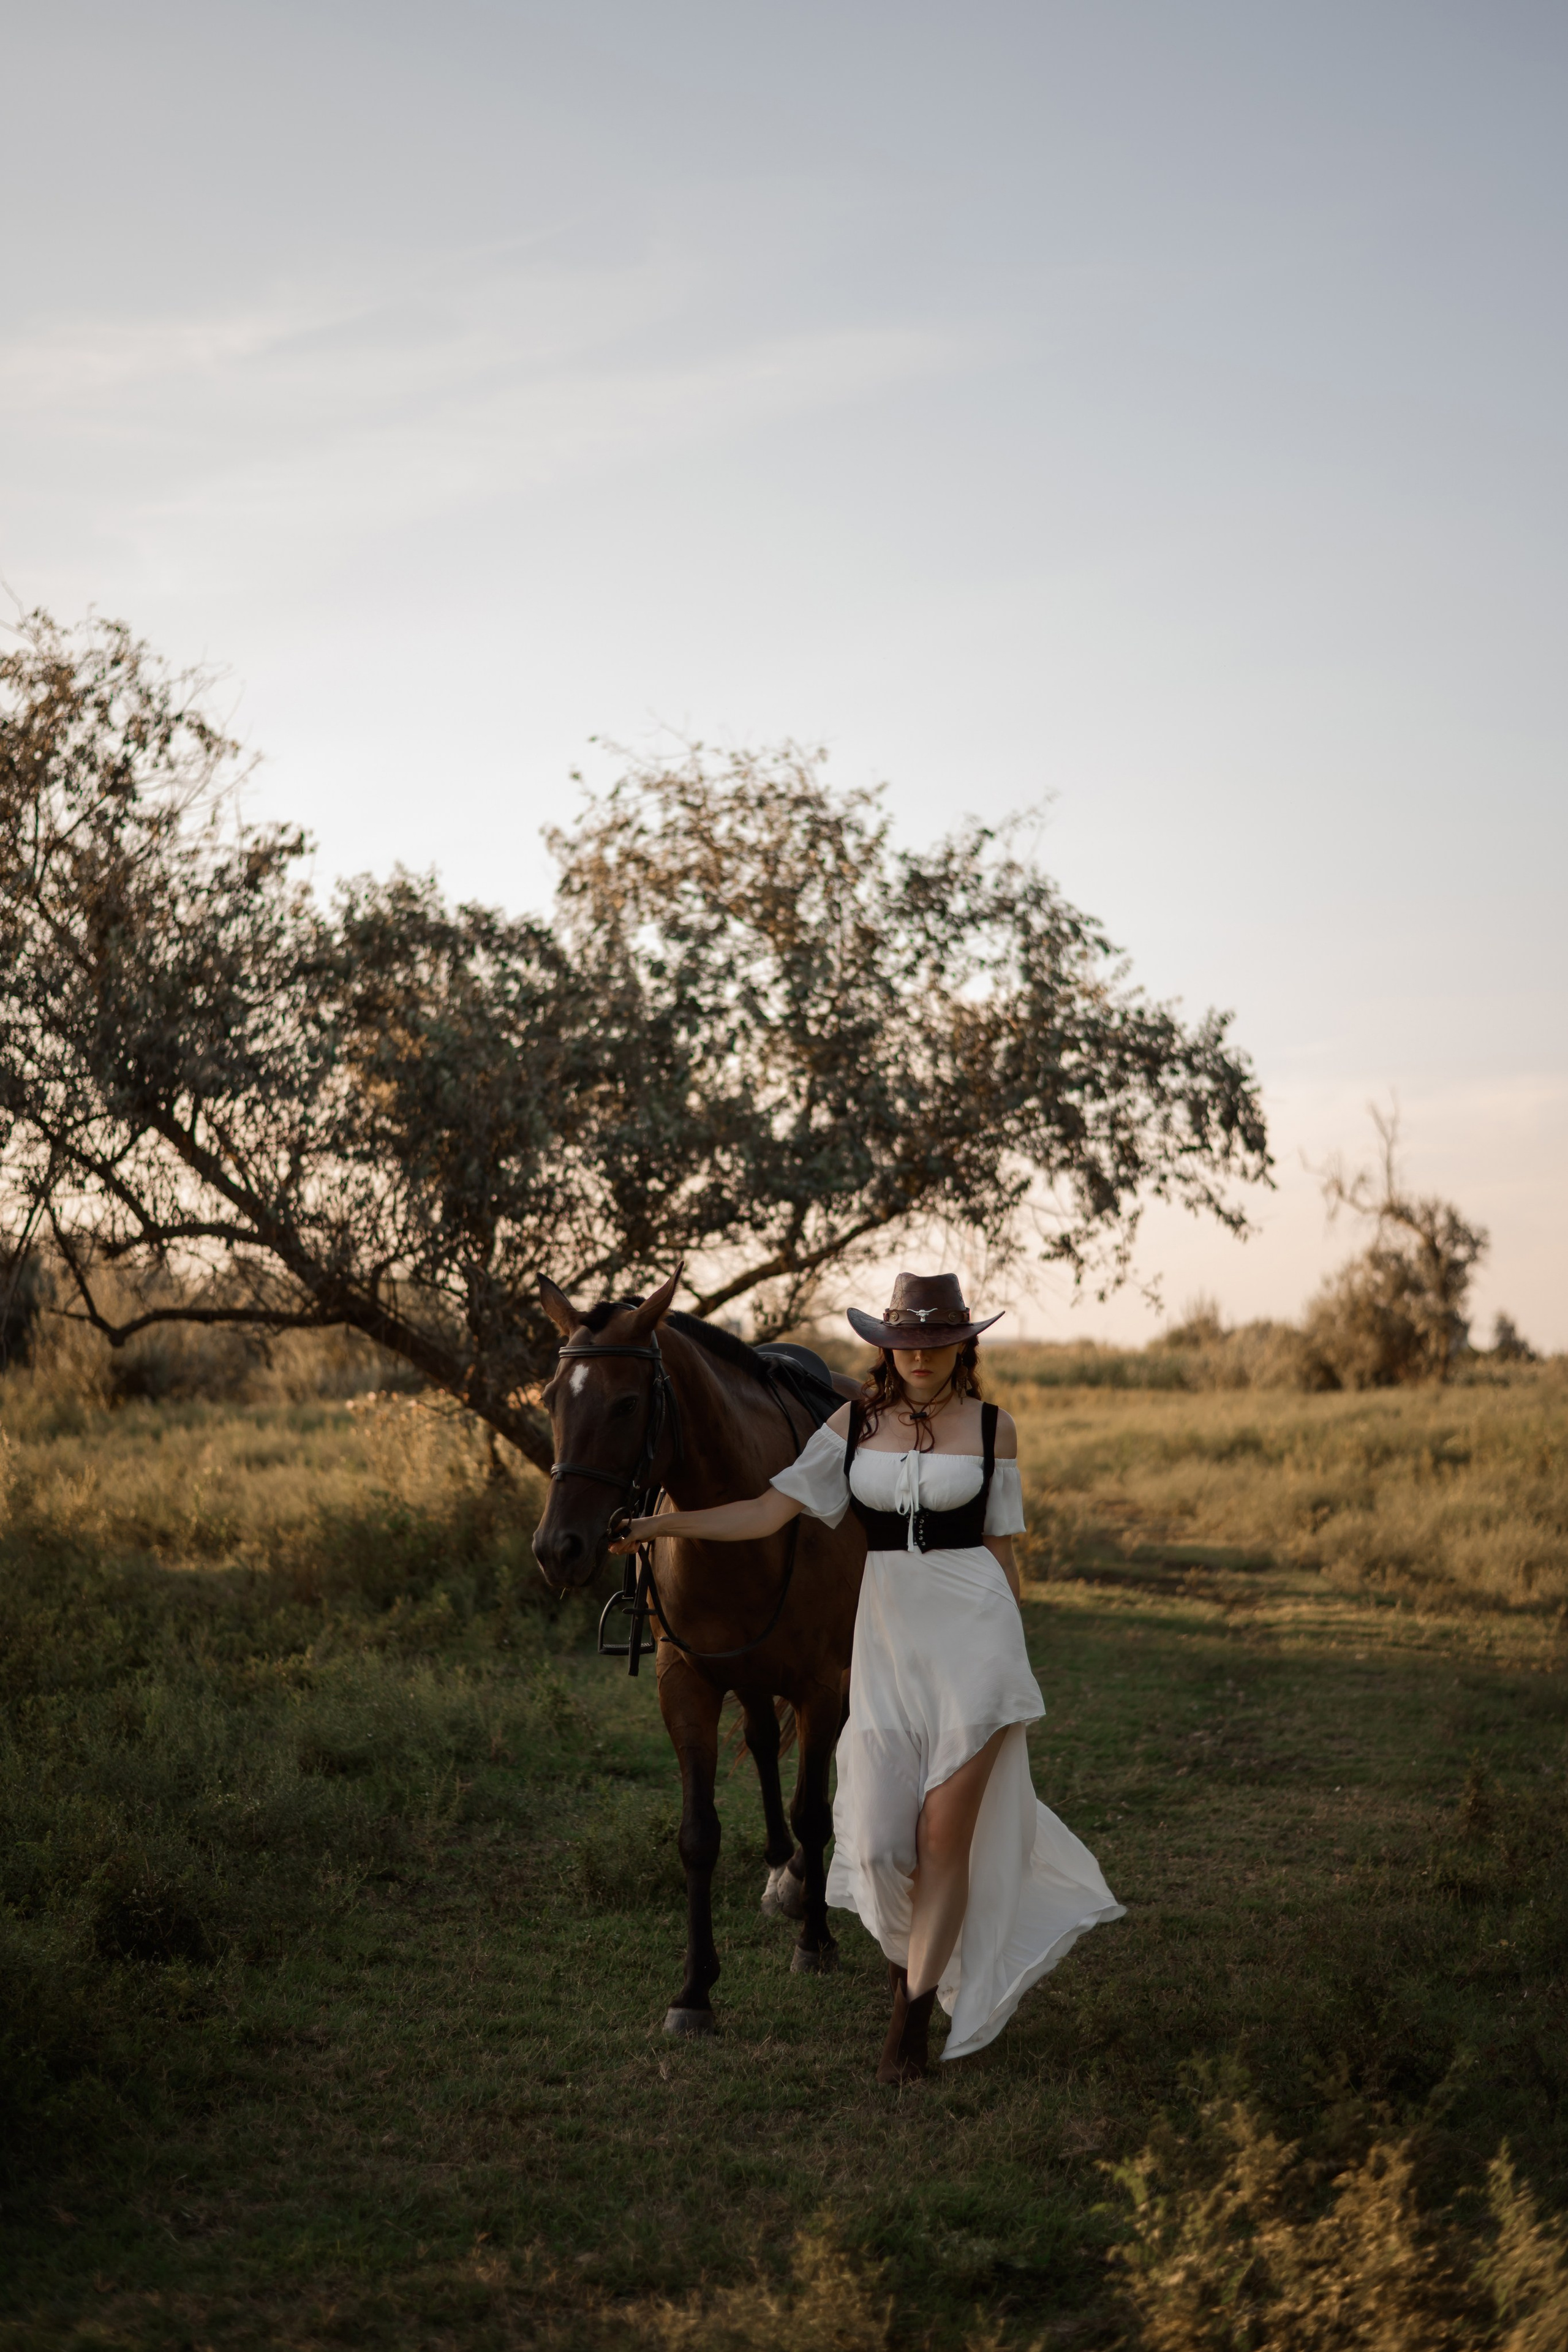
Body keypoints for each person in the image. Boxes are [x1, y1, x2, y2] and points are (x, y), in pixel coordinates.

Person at [612, 1272, 1123, 2083]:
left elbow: (1001, 1550)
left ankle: (906, 2028)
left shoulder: (996, 1429)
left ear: (963, 1344)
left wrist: (1012, 1662)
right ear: (886, 1346)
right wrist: (657, 1523)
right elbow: (766, 1511)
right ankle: (915, 1968)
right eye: (904, 1343)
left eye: (936, 1342)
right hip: (887, 1653)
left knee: (939, 1847)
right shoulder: (853, 1425)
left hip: (974, 1649)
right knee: (883, 1847)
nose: (919, 1358)